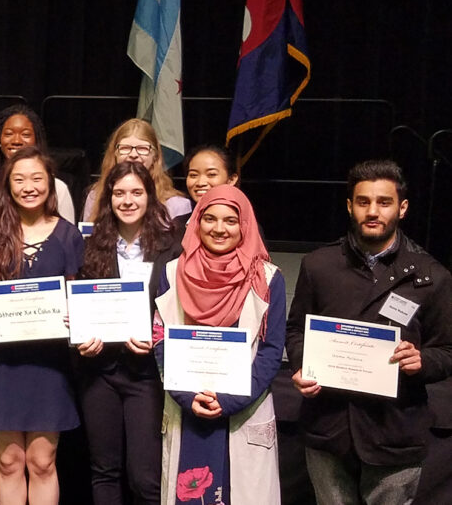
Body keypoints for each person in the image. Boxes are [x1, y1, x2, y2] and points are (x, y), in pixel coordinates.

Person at [286, 160, 452, 504]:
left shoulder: (432, 275)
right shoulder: (319, 265)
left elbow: (448, 350)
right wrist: (304, 365)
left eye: (384, 202)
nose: (372, 211)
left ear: (402, 208)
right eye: (363, 202)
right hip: (328, 428)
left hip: (395, 432)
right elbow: (296, 329)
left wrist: (421, 361)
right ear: (350, 206)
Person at [154, 185, 284, 505]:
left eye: (230, 220)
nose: (219, 228)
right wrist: (187, 396)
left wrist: (228, 400)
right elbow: (160, 341)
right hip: (189, 409)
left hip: (243, 410)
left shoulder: (268, 279)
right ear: (196, 222)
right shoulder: (172, 273)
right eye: (209, 218)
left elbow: (271, 350)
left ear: (245, 226)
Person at [0, 146, 83, 505]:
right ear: (7, 184)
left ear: (51, 184)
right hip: (2, 365)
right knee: (9, 461)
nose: (28, 187)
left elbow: (76, 295)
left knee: (42, 461)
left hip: (49, 366)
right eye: (19, 179)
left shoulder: (68, 235)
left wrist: (73, 315)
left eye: (37, 178)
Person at [72, 161, 178, 505]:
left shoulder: (169, 248)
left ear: (150, 196)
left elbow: (179, 311)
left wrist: (157, 337)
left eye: (136, 192)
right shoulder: (89, 246)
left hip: (145, 375)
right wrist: (81, 339)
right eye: (119, 193)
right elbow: (78, 305)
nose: (127, 200)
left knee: (145, 477)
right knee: (104, 470)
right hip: (99, 370)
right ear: (109, 198)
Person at [0, 105, 76, 224]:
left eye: (26, 135)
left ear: (36, 140)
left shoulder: (58, 188)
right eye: (8, 134)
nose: (16, 141)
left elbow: (69, 239)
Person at [82, 118, 190, 223]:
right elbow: (87, 236)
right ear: (114, 154)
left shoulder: (177, 204)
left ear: (155, 156)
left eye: (142, 149)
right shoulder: (95, 197)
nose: (133, 155)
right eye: (125, 148)